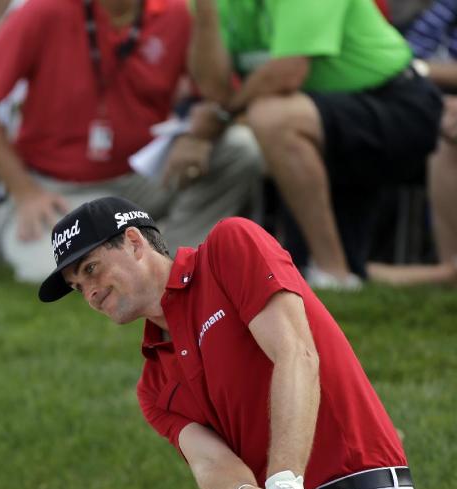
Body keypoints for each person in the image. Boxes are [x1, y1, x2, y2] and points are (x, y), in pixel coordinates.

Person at [38, 196, 420, 489]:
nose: (89, 292)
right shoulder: (154, 383)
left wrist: (283, 477)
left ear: (135, 242)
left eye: (92, 269)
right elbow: (210, 460)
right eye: (78, 286)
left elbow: (295, 354)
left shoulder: (228, 249)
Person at [0, 0, 263, 285]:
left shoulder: (176, 11)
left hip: (141, 175)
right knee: (56, 272)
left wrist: (198, 134)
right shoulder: (44, 10)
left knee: (238, 149)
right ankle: (147, 248)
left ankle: (179, 256)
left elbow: (220, 97)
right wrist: (24, 191)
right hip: (57, 188)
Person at [189, 0, 443, 289]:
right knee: (316, 269)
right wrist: (206, 13)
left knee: (272, 116)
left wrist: (225, 115)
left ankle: (333, 272)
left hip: (398, 106)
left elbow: (288, 72)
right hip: (325, 118)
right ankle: (355, 274)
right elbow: (214, 90)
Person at [368, 0, 457, 286]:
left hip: (432, 99)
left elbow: (405, 63)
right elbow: (407, 52)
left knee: (446, 135)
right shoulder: (446, 6)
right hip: (428, 102)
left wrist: (417, 70)